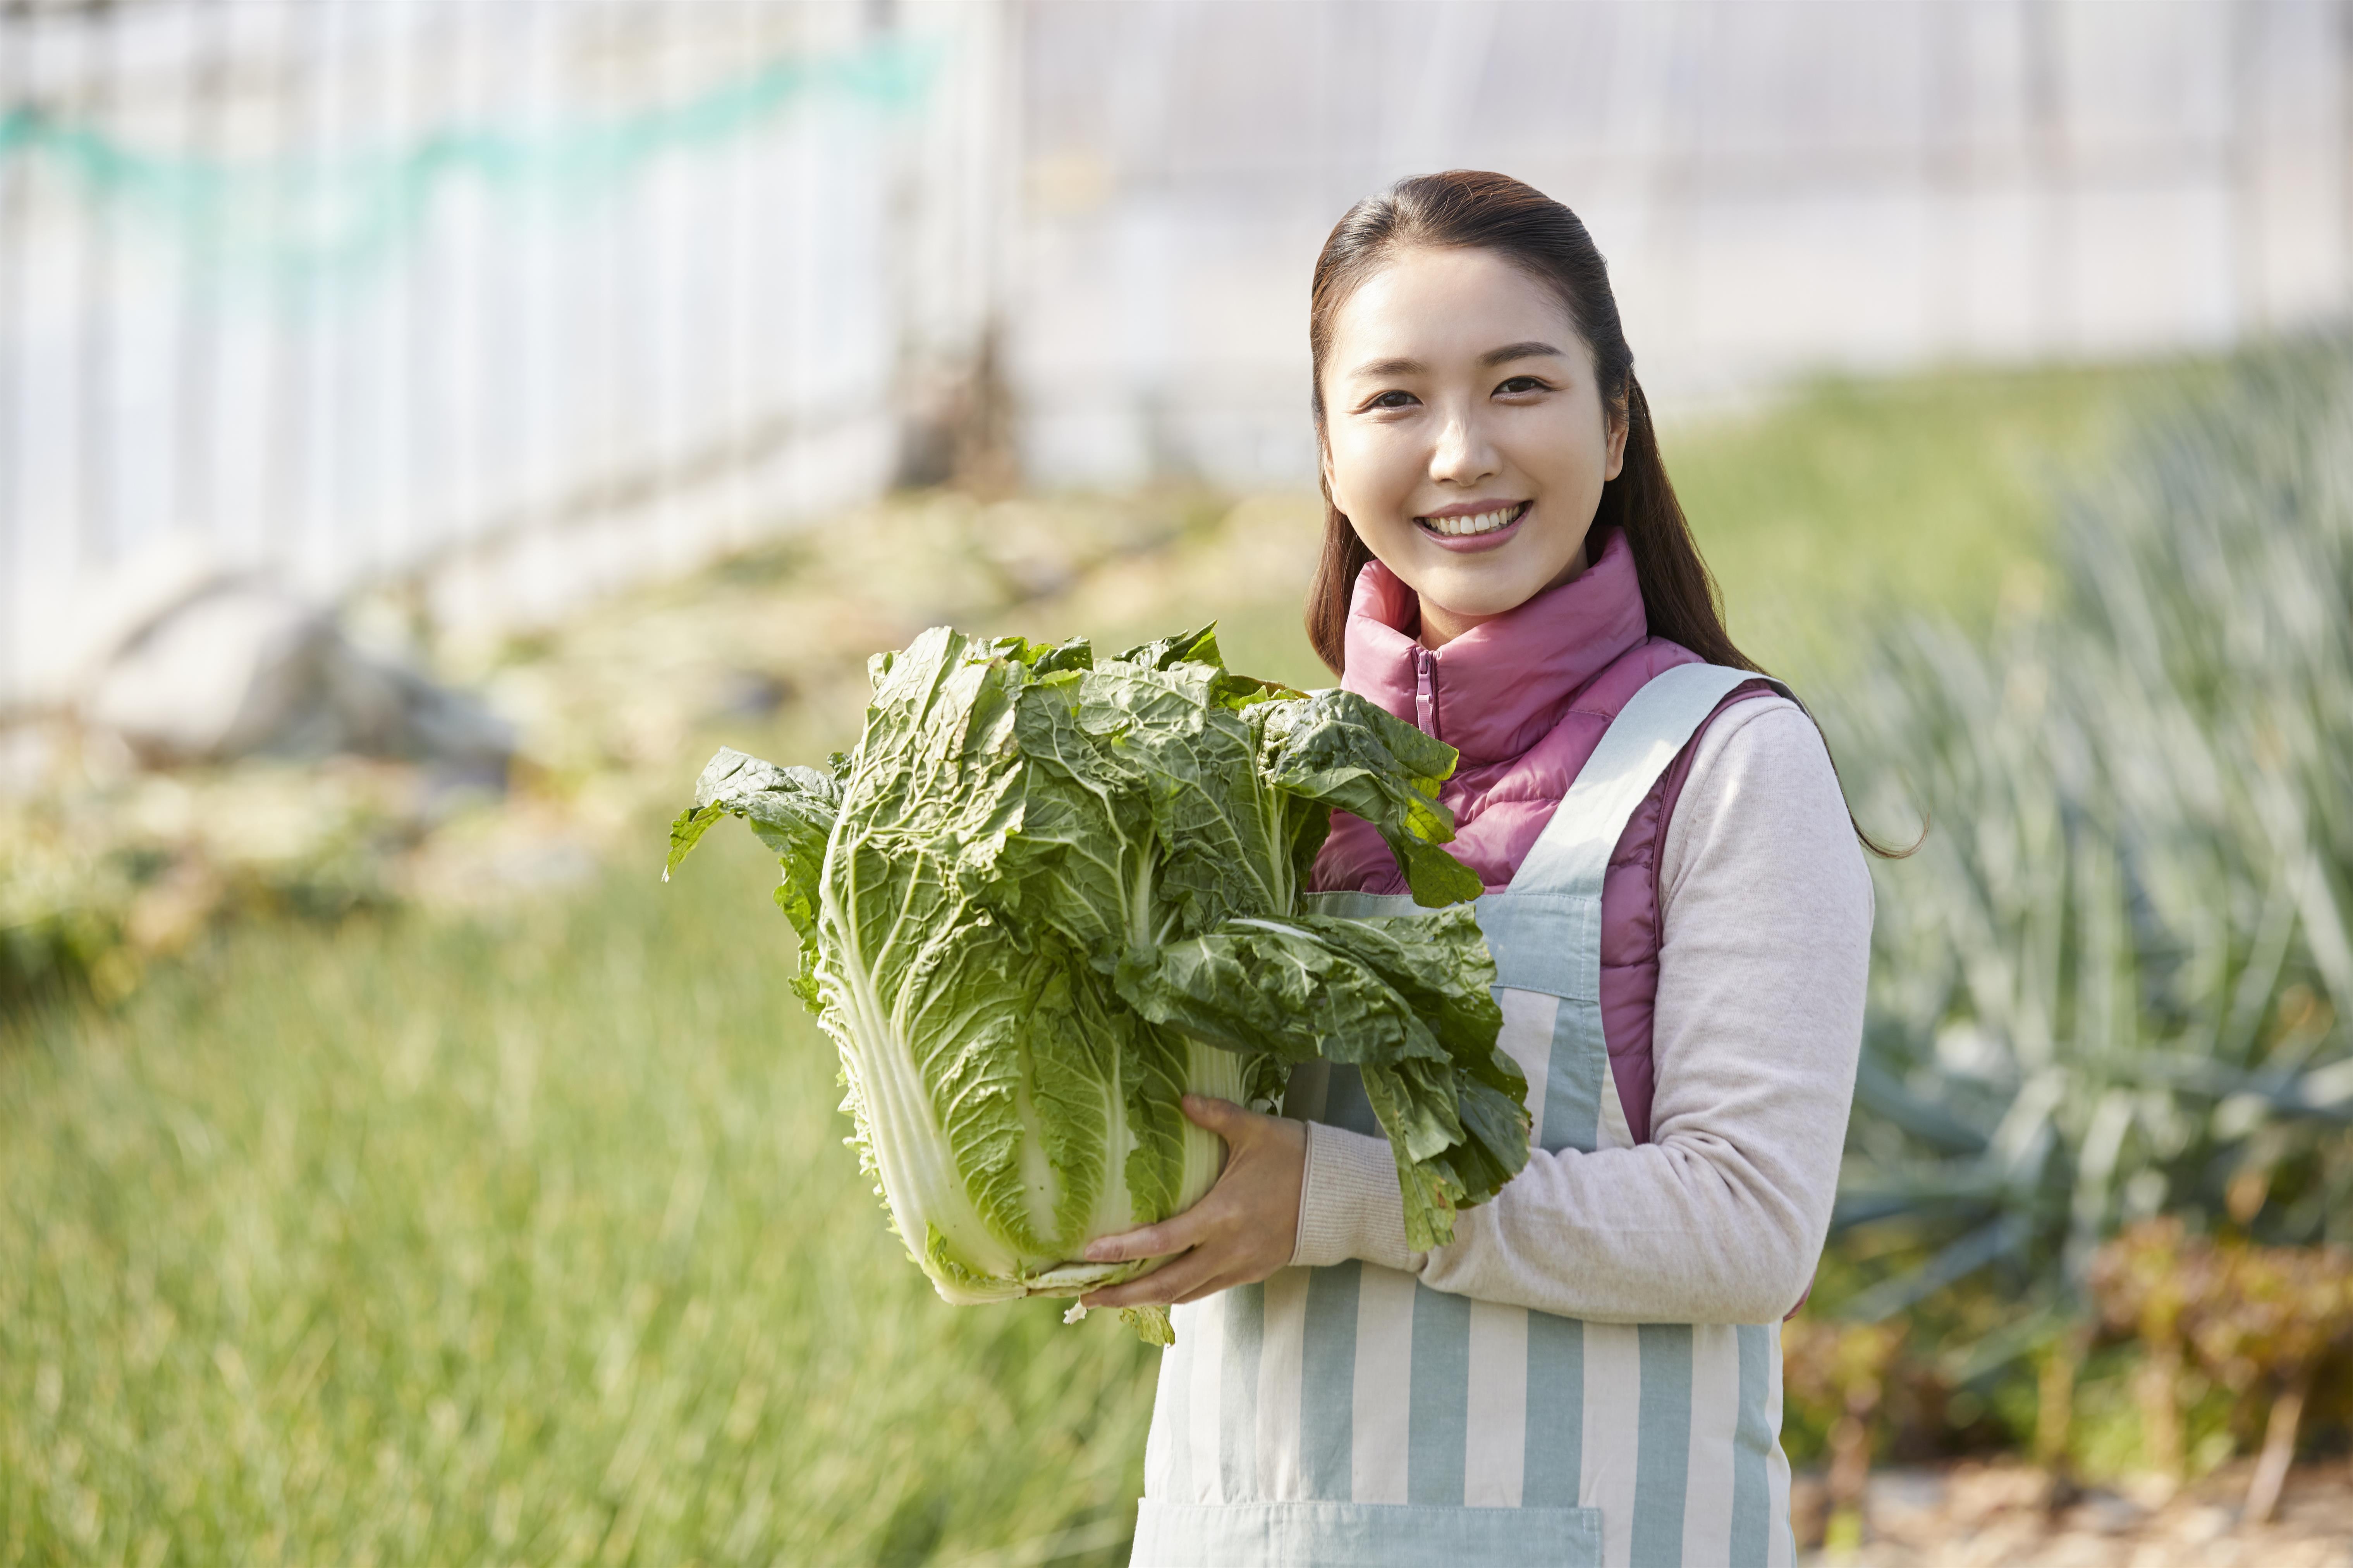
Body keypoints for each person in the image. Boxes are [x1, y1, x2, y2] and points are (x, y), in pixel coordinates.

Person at [1076, 170, 1880, 1567]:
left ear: (1615, 423)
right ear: (1326, 451)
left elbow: (1751, 1223)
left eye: (1519, 386)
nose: (1458, 454)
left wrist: (1344, 1198)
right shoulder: (1240, 789)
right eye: (1392, 400)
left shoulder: (1725, 765)